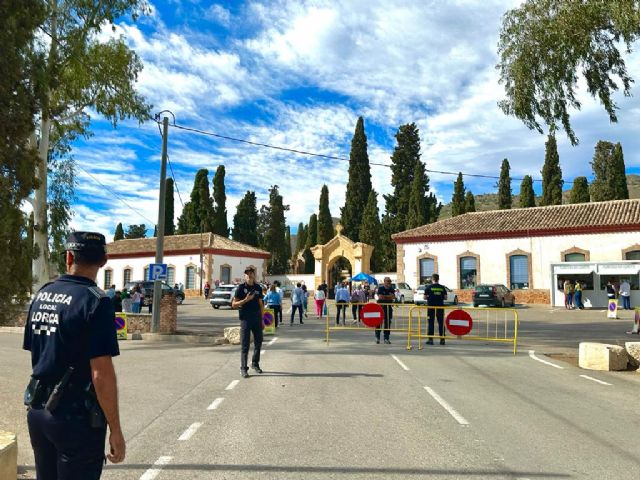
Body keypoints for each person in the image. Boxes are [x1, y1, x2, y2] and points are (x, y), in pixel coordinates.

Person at [23, 231, 124, 478]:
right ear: (103, 261)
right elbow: (101, 374)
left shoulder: (43, 294)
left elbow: (37, 351)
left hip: (38, 411)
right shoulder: (96, 302)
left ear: (69, 257)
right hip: (75, 418)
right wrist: (116, 430)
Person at [231, 266, 264, 378]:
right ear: (245, 275)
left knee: (258, 342)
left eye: (251, 273)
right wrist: (245, 300)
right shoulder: (240, 288)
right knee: (245, 345)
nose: (249, 275)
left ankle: (255, 364)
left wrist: (262, 319)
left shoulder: (258, 288)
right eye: (247, 273)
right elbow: (234, 304)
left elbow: (261, 304)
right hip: (245, 319)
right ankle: (244, 369)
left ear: (254, 275)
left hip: (257, 319)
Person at [424, 273, 446, 345]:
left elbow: (424, 297)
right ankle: (442, 340)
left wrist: (430, 297)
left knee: (431, 322)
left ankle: (430, 340)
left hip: (431, 307)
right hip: (440, 306)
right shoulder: (442, 287)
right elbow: (445, 298)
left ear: (432, 279)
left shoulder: (428, 287)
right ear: (438, 279)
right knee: (441, 322)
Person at [375, 277, 395, 344]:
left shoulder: (392, 289)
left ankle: (386, 338)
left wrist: (385, 296)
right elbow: (380, 297)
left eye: (390, 281)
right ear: (384, 282)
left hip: (388, 308)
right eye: (388, 281)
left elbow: (393, 297)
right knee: (378, 322)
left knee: (388, 323)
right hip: (380, 307)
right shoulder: (381, 288)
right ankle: (377, 338)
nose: (389, 282)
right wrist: (389, 296)